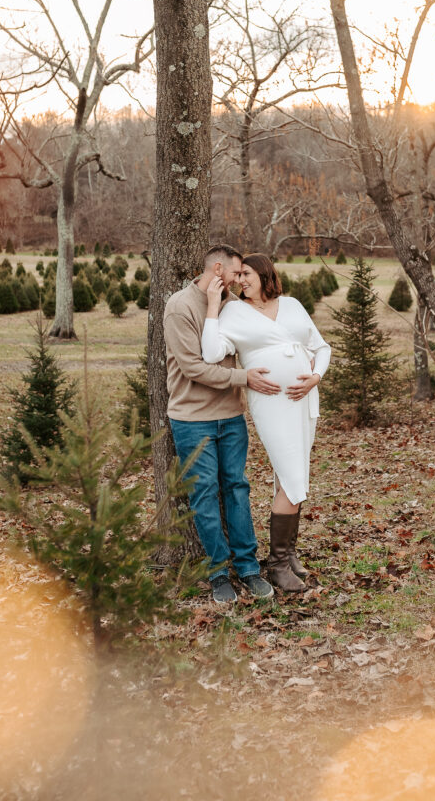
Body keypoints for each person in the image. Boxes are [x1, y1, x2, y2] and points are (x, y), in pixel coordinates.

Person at [202, 253, 331, 593]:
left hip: (303, 399)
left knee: (294, 473)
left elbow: (322, 347)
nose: (241, 280)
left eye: (247, 274)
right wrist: (214, 306)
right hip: (271, 401)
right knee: (291, 475)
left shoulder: (291, 305)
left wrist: (315, 377)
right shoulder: (233, 312)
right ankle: (275, 565)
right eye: (238, 275)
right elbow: (212, 352)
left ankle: (288, 556)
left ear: (264, 274)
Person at [164, 244, 278, 604]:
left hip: (230, 418)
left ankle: (247, 568)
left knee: (237, 490)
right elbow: (193, 368)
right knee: (204, 497)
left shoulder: (232, 307)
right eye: (236, 273)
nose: (241, 279)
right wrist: (244, 378)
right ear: (217, 269)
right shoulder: (179, 307)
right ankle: (217, 574)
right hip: (192, 420)